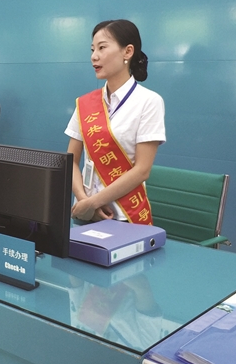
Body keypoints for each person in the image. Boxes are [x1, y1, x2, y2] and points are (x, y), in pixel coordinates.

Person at [65, 19, 166, 223]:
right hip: (85, 215)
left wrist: (93, 202)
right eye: (92, 49)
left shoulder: (148, 101)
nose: (94, 56)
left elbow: (142, 170)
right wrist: (84, 201)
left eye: (102, 48)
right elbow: (70, 160)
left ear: (127, 51)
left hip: (124, 216)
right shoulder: (85, 103)